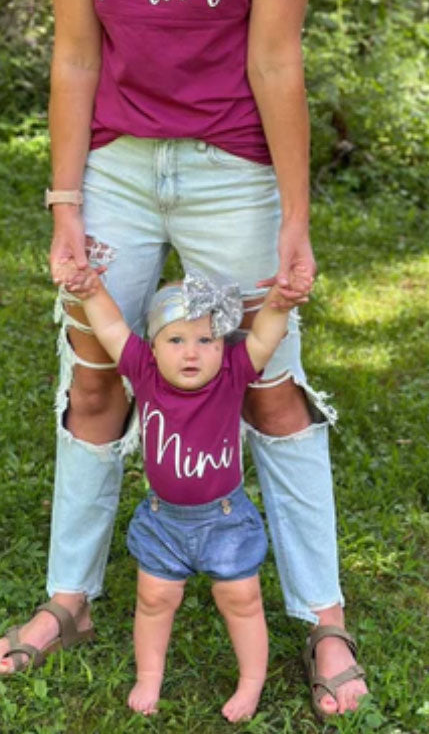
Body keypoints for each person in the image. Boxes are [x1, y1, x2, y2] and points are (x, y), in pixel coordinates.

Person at [0, 0, 368, 719]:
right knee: (96, 375)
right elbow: (75, 55)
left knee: (267, 384)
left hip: (230, 166)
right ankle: (73, 599)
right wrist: (65, 202)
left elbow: (275, 57)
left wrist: (295, 212)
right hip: (114, 163)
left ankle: (323, 618)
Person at [62, 266, 307, 720]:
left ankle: (251, 682)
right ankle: (149, 676)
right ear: (153, 347)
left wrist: (280, 304)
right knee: (154, 601)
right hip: (164, 522)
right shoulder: (145, 373)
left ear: (222, 347)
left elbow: (263, 339)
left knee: (242, 600)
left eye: (205, 341)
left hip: (225, 520)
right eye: (175, 340)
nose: (190, 353)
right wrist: (92, 290)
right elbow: (113, 327)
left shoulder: (233, 374)